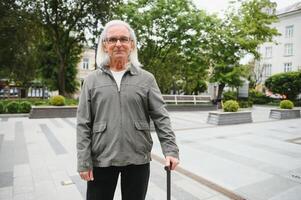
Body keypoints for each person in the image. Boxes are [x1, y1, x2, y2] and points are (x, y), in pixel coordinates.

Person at [76, 20, 179, 200]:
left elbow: (161, 117)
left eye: (124, 39)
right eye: (113, 39)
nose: (118, 44)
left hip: (137, 158)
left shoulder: (146, 79)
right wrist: (84, 162)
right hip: (101, 159)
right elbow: (83, 123)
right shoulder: (92, 80)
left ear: (131, 44)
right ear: (105, 45)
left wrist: (170, 150)